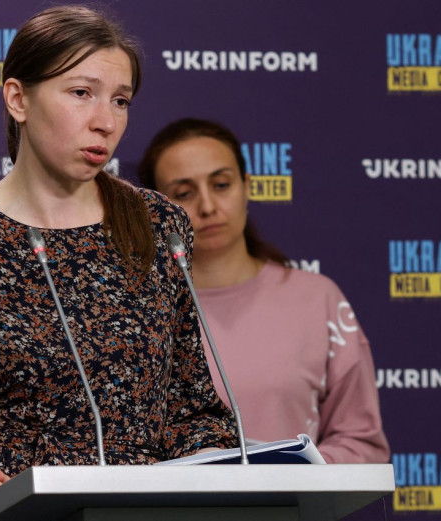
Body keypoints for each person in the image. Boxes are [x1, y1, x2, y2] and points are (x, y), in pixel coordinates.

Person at [0, 5, 237, 519]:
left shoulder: (159, 225)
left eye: (120, 100)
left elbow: (189, 409)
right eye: (81, 93)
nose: (106, 121)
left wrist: (218, 468)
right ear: (18, 98)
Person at [138, 117, 390, 464]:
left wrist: (288, 473)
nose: (208, 206)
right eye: (184, 193)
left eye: (222, 184)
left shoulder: (318, 299)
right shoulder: (137, 313)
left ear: (246, 186)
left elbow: (363, 445)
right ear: (156, 210)